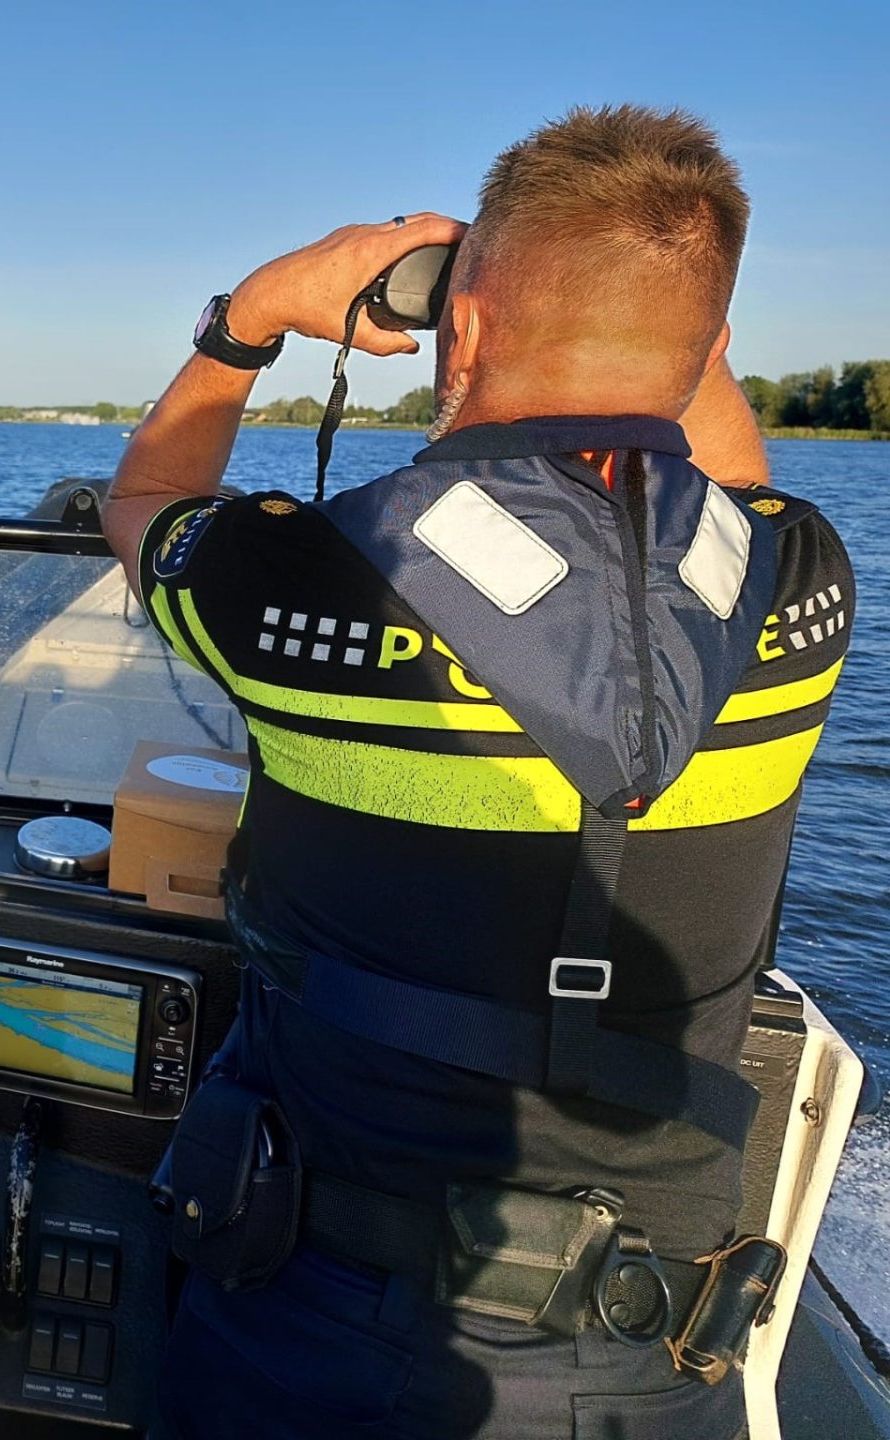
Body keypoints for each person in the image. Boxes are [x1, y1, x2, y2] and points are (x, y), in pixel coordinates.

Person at [102, 107, 852, 1438]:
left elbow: (142, 502)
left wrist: (255, 317)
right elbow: (725, 482)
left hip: (320, 1335)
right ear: (714, 347)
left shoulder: (307, 585)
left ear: (467, 326)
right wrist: (662, 317)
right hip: (655, 1361)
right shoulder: (802, 587)